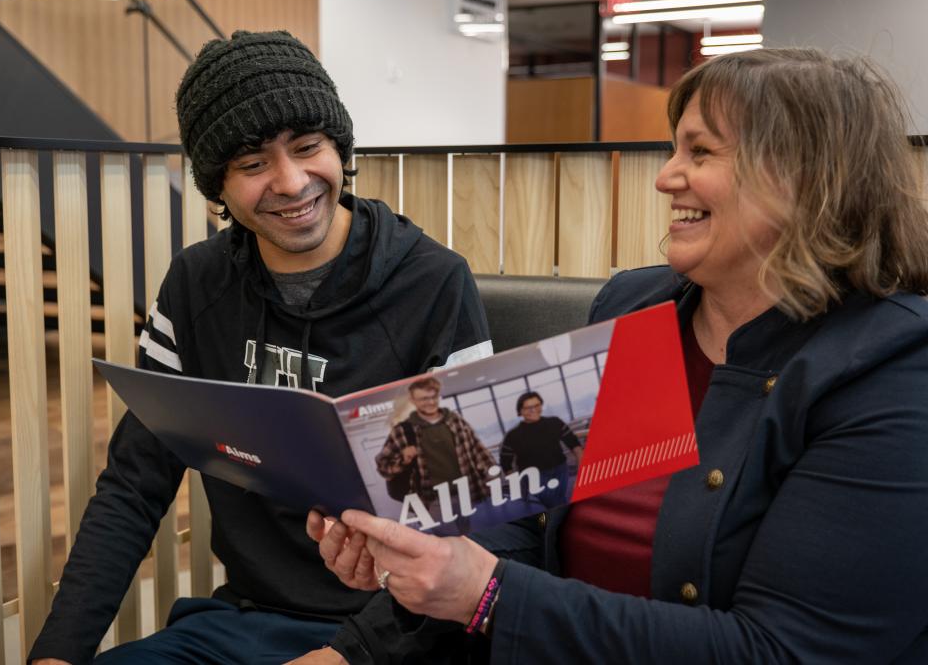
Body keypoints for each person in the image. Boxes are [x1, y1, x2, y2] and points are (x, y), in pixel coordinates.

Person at [314, 48, 928, 662]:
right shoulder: (638, 307)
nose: (665, 177)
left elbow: (784, 652)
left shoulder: (890, 367)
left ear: (804, 177)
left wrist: (486, 594)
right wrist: (425, 558)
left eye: (701, 152)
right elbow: (529, 514)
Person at [28, 30, 492, 665]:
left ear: (339, 148)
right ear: (217, 186)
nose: (292, 182)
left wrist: (350, 653)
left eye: (309, 149)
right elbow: (134, 485)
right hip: (246, 619)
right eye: (253, 166)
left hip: (400, 633)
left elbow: (477, 518)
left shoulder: (433, 282)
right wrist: (57, 652)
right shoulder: (196, 285)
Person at [375, 377, 496, 508]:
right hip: (432, 501)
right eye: (424, 399)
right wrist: (403, 459)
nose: (431, 402)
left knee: (478, 526)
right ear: (412, 400)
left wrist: (494, 473)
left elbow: (477, 449)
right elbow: (383, 467)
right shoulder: (402, 431)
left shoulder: (455, 420)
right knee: (449, 529)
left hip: (470, 491)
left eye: (434, 397)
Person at [498, 391, 581, 507]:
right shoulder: (512, 435)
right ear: (520, 411)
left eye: (537, 405)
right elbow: (505, 462)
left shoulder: (555, 422)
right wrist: (516, 484)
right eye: (527, 408)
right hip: (533, 477)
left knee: (558, 500)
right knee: (555, 503)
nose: (533, 410)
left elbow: (574, 444)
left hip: (560, 469)